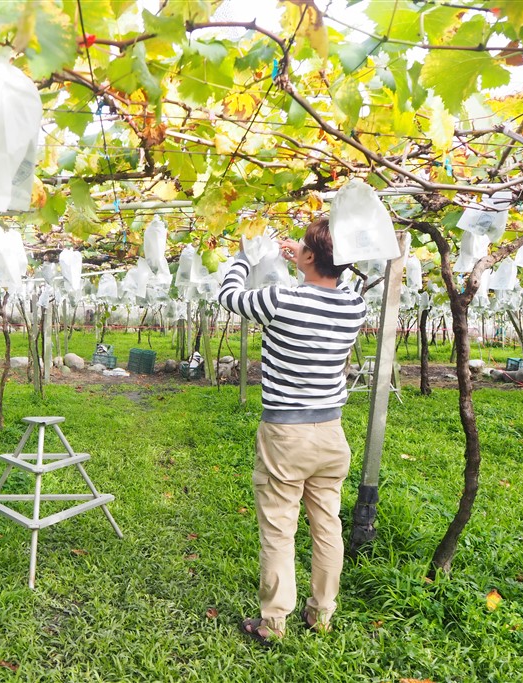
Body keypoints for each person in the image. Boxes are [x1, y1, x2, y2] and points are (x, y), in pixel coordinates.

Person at [218, 216, 367, 645]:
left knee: (279, 530)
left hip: (286, 435)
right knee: (327, 526)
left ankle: (274, 622)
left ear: (311, 256)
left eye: (302, 246)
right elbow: (338, 278)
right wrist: (304, 257)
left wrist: (243, 258)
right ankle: (322, 614)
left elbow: (229, 296)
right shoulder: (353, 305)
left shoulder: (280, 298)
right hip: (331, 434)